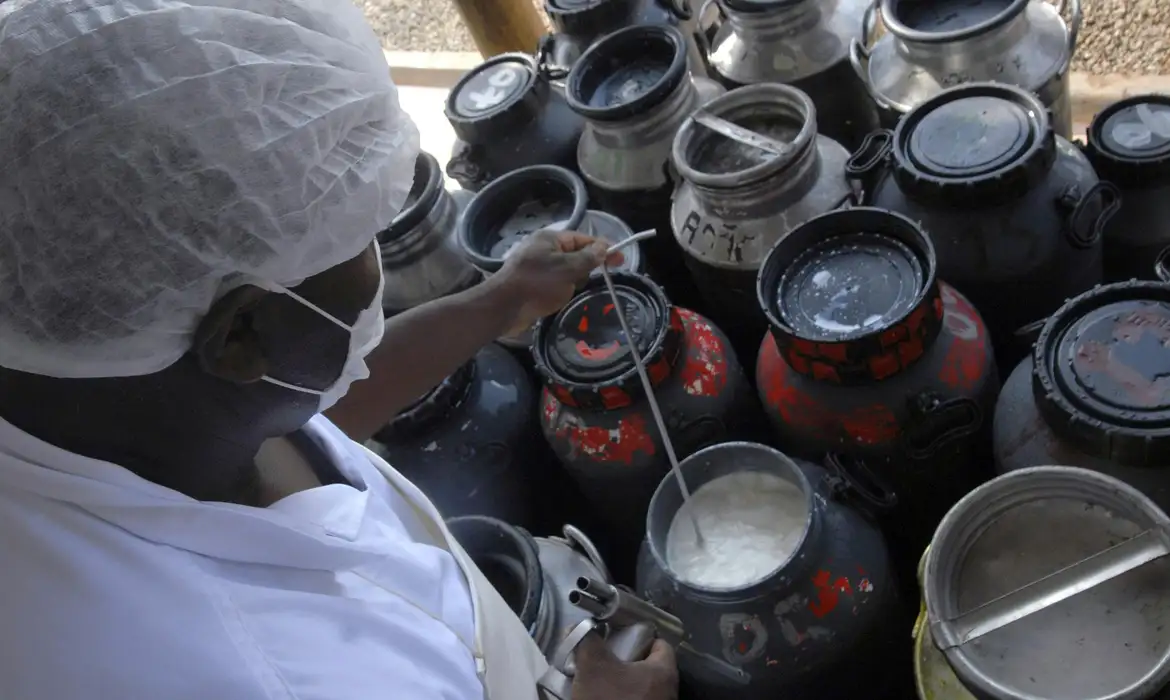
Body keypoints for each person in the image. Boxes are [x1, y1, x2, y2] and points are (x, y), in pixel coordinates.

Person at [0, 1, 679, 698]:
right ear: (239, 334)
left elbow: (305, 413)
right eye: (358, 233)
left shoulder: (114, 401)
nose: (376, 252)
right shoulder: (272, 675)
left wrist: (501, 300)